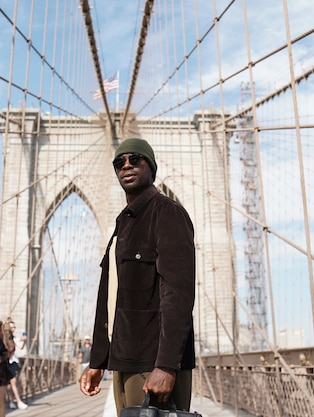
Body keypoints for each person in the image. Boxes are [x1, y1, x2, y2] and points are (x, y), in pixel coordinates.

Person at [79, 138, 196, 415]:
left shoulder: (167, 213)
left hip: (153, 365)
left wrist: (166, 365)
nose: (126, 166)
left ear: (151, 167)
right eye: (120, 162)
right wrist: (99, 360)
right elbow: (111, 299)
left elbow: (178, 294)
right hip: (124, 362)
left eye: (135, 160)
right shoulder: (124, 223)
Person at [4, 319, 28, 410]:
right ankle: (16, 401)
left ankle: (13, 401)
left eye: (14, 327)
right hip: (5, 363)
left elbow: (21, 347)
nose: (13, 329)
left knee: (13, 382)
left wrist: (24, 341)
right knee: (10, 383)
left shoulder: (14, 338)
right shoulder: (4, 338)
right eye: (11, 327)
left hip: (13, 362)